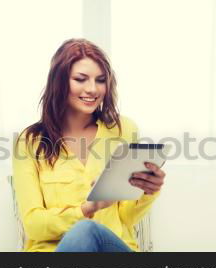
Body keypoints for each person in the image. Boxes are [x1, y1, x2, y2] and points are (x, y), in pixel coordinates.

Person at [12, 38, 165, 252]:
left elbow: (126, 218)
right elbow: (34, 225)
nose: (92, 89)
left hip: (112, 248)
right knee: (83, 231)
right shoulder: (29, 142)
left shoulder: (123, 130)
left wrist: (149, 191)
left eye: (100, 80)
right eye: (81, 79)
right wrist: (87, 209)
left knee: (88, 231)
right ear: (60, 82)